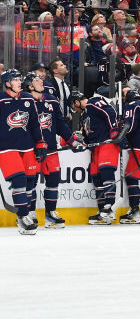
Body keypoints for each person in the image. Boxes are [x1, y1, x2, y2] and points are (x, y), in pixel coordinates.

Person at [0, 71, 45, 234]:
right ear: (7, 83)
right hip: (6, 148)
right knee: (19, 180)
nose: (19, 82)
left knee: (29, 182)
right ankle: (24, 217)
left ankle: (22, 216)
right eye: (15, 80)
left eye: (20, 79)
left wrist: (40, 142)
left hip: (27, 147)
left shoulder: (27, 98)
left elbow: (35, 123)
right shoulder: (1, 99)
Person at [35, 77, 82, 228]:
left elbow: (61, 124)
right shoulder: (26, 100)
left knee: (53, 181)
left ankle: (50, 213)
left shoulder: (53, 102)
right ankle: (27, 214)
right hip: (32, 149)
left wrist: (71, 140)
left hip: (50, 149)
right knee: (29, 183)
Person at [71, 90, 120, 225]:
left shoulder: (92, 102)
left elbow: (110, 112)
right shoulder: (84, 116)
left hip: (107, 143)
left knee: (106, 172)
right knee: (96, 176)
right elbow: (88, 136)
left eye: (74, 107)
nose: (76, 110)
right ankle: (102, 209)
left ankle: (109, 207)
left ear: (77, 102)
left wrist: (114, 130)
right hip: (96, 149)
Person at [118, 87, 140, 224]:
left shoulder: (132, 106)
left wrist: (122, 132)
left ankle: (134, 212)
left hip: (138, 147)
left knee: (132, 178)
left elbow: (130, 127)